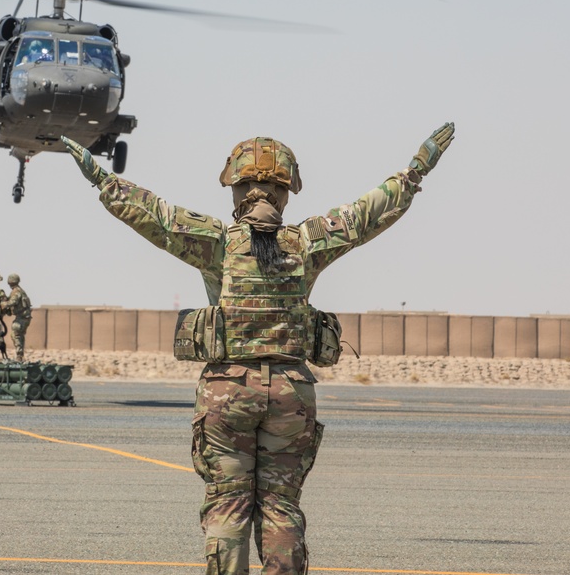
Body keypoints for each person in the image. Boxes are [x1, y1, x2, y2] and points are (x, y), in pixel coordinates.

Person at [62, 124, 454, 575]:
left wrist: (99, 177)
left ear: (236, 189)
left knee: (227, 507)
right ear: (287, 192)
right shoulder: (308, 244)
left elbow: (154, 214)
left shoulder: (215, 243)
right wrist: (414, 172)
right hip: (290, 394)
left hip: (226, 393)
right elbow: (366, 214)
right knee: (281, 507)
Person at [4, 273, 33, 362]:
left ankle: (19, 356)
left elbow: (12, 302)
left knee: (15, 334)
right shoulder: (19, 290)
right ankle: (20, 356)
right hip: (24, 317)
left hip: (22, 317)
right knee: (19, 336)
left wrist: (3, 304)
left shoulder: (16, 291)